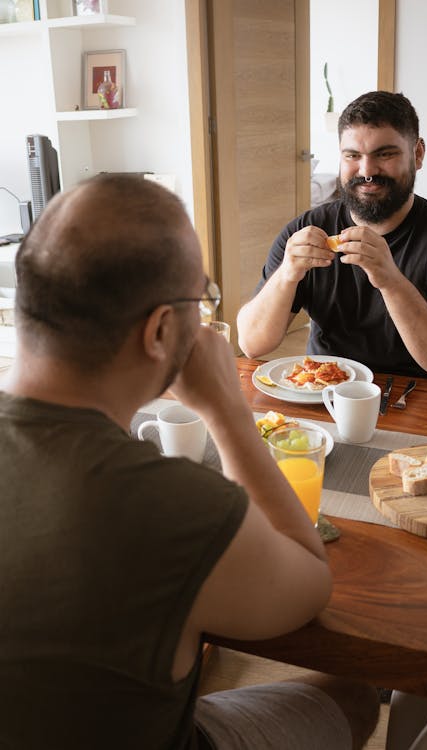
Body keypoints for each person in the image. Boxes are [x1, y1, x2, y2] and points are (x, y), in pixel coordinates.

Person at [0, 174, 379, 749]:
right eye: (199, 300)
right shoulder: (169, 502)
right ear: (160, 331)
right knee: (355, 693)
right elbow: (307, 585)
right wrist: (229, 412)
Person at [237, 91, 427, 387]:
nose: (367, 171)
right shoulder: (306, 231)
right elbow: (252, 345)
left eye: (385, 154)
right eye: (353, 156)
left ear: (417, 154)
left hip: (415, 398)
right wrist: (287, 275)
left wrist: (390, 279)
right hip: (323, 390)